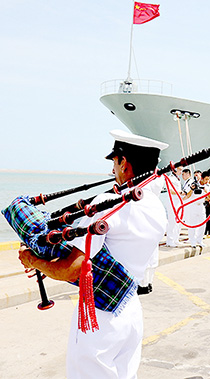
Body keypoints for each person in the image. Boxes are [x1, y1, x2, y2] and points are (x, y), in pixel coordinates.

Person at [18, 130, 168, 378]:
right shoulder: (155, 207)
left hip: (100, 315)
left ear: (125, 164)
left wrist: (34, 260)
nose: (113, 171)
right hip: (130, 309)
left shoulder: (109, 204)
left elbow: (72, 267)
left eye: (115, 163)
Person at [165, 166, 184, 247]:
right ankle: (170, 240)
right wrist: (179, 192)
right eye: (180, 170)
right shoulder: (171, 178)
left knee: (178, 222)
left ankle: (175, 239)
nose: (181, 172)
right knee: (172, 221)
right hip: (172, 202)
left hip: (177, 202)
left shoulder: (177, 179)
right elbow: (170, 190)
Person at [201, 171, 210, 238]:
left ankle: (208, 232)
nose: (207, 181)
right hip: (203, 203)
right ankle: (205, 232)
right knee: (204, 218)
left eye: (208, 179)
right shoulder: (200, 184)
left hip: (209, 203)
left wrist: (207, 194)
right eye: (206, 179)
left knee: (207, 217)